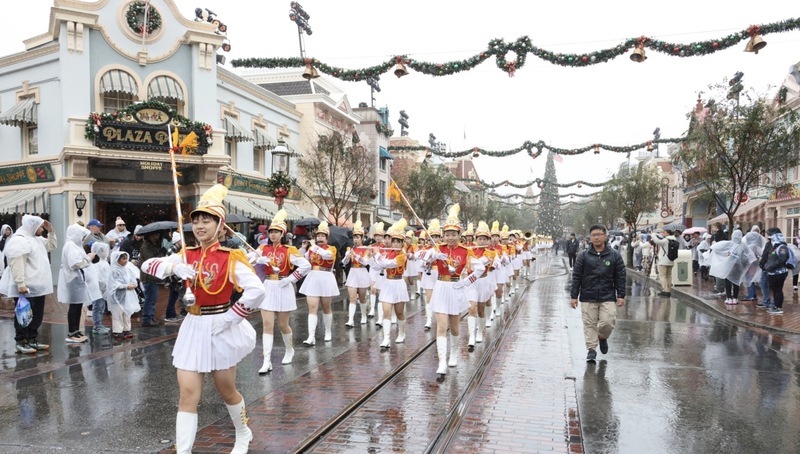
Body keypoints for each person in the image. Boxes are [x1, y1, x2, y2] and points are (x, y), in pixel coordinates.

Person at [141, 184, 265, 454]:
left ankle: (243, 433)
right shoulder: (186, 253)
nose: (199, 225)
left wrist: (232, 317)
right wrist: (173, 266)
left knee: (226, 390)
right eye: (195, 220)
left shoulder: (231, 257)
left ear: (220, 226)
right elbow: (147, 266)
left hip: (221, 327)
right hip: (193, 326)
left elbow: (257, 290)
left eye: (206, 220)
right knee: (187, 395)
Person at [426, 205, 485, 382]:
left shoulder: (466, 251)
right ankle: (442, 362)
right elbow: (423, 258)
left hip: (456, 288)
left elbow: (480, 269)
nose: (450, 237)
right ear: (443, 235)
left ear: (459, 235)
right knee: (441, 326)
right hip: (441, 287)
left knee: (455, 326)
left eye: (453, 234)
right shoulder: (438, 248)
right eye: (447, 234)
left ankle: (453, 354)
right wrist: (434, 257)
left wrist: (466, 282)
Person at [251, 209, 310, 374]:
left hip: (284, 286)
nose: (273, 234)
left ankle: (289, 349)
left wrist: (290, 279)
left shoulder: (289, 250)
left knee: (283, 325)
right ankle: (266, 360)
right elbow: (245, 258)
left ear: (282, 233)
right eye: (271, 232)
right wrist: (257, 259)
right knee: (267, 324)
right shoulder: (262, 248)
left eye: (276, 232)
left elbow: (306, 266)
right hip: (268, 286)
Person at [0, 215, 56, 354]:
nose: (42, 229)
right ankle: (21, 341)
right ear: (33, 225)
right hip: (26, 286)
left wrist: (51, 232)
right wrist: (21, 284)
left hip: (38, 286)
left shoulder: (36, 239)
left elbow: (52, 246)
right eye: (41, 227)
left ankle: (32, 338)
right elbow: (16, 263)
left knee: (37, 314)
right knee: (23, 314)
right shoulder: (20, 240)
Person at [570, 224, 626, 361]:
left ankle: (602, 336)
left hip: (607, 296)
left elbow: (620, 276)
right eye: (593, 235)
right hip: (588, 296)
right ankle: (591, 350)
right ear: (590, 238)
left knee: (608, 321)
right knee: (589, 323)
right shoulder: (583, 256)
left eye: (599, 235)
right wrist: (574, 296)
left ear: (605, 236)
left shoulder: (614, 256)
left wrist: (621, 295)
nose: (596, 237)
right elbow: (576, 276)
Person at [371, 219, 411, 350]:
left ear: (402, 243)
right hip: (387, 283)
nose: (395, 244)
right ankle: (386, 338)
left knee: (399, 313)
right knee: (386, 311)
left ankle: (402, 333)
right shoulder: (386, 253)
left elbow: (389, 264)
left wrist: (378, 256)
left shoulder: (402, 255)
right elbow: (378, 267)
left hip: (399, 283)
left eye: (398, 242)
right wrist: (371, 258)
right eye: (393, 241)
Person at [299, 221, 339, 345]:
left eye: (322, 236)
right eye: (318, 236)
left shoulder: (331, 249)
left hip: (326, 277)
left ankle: (328, 331)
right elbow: (303, 261)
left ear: (327, 238)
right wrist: (303, 248)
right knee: (312, 307)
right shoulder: (311, 249)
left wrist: (314, 247)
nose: (320, 238)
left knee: (326, 306)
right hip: (313, 277)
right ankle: (311, 336)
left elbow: (327, 256)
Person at [58, 223, 96, 343]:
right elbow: (75, 264)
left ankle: (76, 330)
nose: (83, 238)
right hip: (72, 279)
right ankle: (71, 332)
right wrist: (88, 258)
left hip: (78, 279)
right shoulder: (70, 246)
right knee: (74, 306)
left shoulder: (75, 245)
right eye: (81, 235)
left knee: (78, 305)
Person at [466, 221, 497, 351]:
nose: (482, 241)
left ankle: (480, 332)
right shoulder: (469, 250)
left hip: (483, 281)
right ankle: (471, 336)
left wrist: (468, 258)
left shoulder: (491, 252)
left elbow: (479, 264)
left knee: (480, 310)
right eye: (480, 239)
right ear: (476, 239)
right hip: (472, 282)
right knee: (471, 308)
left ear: (488, 240)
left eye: (485, 239)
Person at [707, 229, 757, 305]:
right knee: (736, 282)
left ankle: (729, 297)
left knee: (728, 282)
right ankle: (735, 298)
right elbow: (750, 257)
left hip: (729, 266)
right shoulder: (743, 245)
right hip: (738, 268)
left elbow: (716, 247)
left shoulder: (730, 244)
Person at [342, 220, 371, 327]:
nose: (355, 239)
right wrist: (347, 256)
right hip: (353, 272)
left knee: (362, 298)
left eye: (358, 237)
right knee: (352, 298)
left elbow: (366, 262)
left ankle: (364, 315)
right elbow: (344, 263)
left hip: (362, 272)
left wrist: (356, 255)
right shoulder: (350, 248)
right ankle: (351, 320)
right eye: (354, 237)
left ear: (362, 238)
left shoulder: (366, 249)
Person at [107, 251, 139, 340]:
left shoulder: (127, 269)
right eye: (123, 259)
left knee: (127, 313)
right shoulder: (113, 271)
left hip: (127, 296)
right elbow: (113, 284)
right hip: (117, 296)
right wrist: (125, 286)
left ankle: (126, 329)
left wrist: (133, 284)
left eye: (126, 258)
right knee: (118, 314)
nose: (125, 261)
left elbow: (133, 279)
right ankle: (117, 331)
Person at [760, 229, 791, 315]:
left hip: (779, 272)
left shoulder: (782, 247)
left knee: (778, 290)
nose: (770, 238)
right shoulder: (775, 246)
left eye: (772, 237)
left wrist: (769, 267)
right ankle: (776, 306)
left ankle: (779, 308)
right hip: (773, 273)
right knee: (775, 290)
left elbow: (781, 259)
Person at [139, 231, 166, 326]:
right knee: (150, 298)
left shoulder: (155, 245)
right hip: (148, 276)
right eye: (154, 235)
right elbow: (150, 259)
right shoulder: (145, 247)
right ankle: (147, 319)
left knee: (153, 298)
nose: (156, 236)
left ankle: (151, 317)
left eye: (158, 234)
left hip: (154, 276)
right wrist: (159, 252)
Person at [651, 228, 681, 297]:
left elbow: (657, 241)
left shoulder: (666, 240)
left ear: (668, 233)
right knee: (669, 276)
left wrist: (653, 234)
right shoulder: (674, 240)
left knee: (663, 276)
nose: (663, 234)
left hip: (663, 261)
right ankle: (669, 290)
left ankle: (665, 290)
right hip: (671, 261)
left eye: (664, 232)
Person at [89, 242, 111, 334]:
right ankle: (97, 326)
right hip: (99, 290)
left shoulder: (104, 262)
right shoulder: (97, 263)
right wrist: (102, 289)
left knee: (101, 307)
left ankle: (99, 323)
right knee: (98, 307)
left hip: (103, 290)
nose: (105, 253)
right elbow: (98, 278)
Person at [165, 232, 186, 323]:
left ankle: (172, 314)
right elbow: (171, 263)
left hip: (176, 276)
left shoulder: (178, 249)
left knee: (174, 295)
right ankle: (169, 315)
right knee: (173, 296)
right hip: (173, 277)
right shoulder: (173, 249)